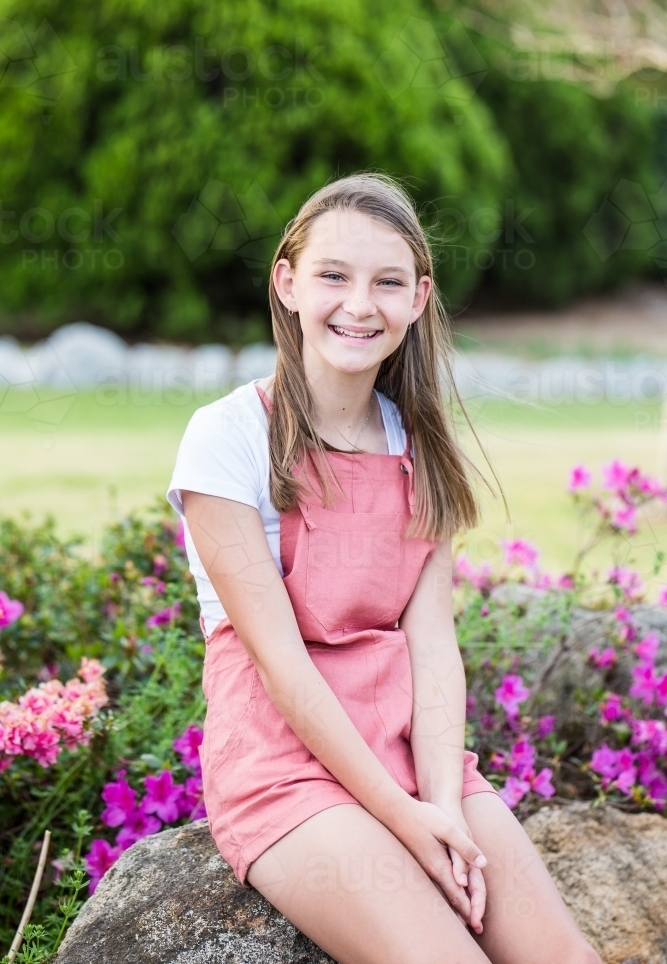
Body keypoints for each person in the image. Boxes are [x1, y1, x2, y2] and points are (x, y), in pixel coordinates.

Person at [167, 173, 601, 964]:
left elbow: (432, 647)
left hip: (410, 749)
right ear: (287, 281)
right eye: (333, 275)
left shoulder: (418, 447)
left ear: (418, 297)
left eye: (387, 282)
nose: (358, 304)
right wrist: (406, 826)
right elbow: (281, 666)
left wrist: (441, 802)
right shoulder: (226, 438)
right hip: (286, 766)